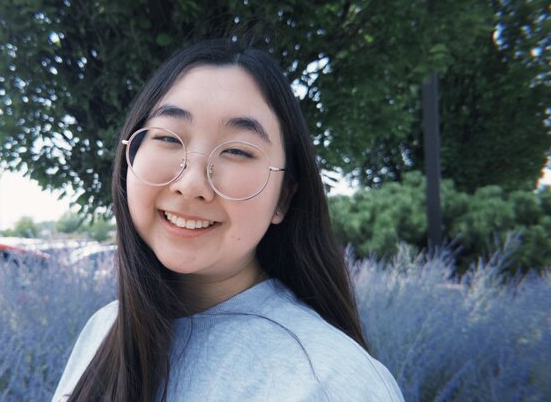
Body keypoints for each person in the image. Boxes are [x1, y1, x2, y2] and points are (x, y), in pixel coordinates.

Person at [53, 39, 404, 402]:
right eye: (168, 137)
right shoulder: (106, 327)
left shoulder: (327, 379)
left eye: (237, 151)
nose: (191, 185)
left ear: (283, 197)